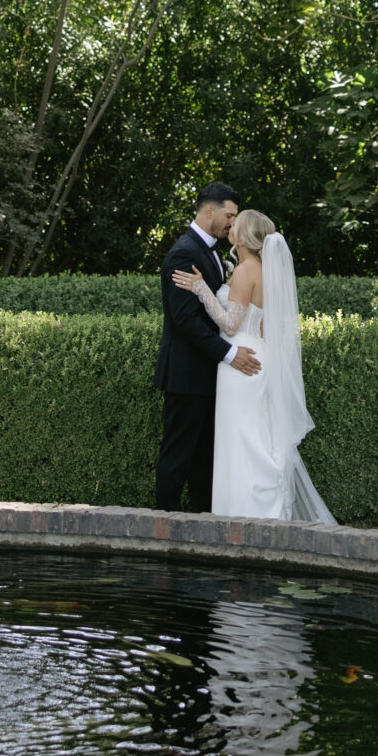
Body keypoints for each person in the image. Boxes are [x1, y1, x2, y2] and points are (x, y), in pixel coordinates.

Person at [173, 208, 334, 524]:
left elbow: (231, 325)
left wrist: (201, 289)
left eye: (237, 223)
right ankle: (260, 512)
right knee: (256, 437)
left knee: (242, 441)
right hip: (258, 355)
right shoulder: (263, 269)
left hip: (239, 363)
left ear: (244, 237)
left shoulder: (246, 270)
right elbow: (261, 326)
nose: (231, 226)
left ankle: (243, 515)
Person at [153, 183, 262, 513]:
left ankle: (204, 527)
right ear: (209, 210)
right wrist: (229, 354)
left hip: (210, 374)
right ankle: (164, 528)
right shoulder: (184, 252)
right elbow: (185, 320)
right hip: (187, 374)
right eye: (230, 214)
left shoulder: (213, 253)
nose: (233, 222)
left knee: (205, 461)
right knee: (177, 457)